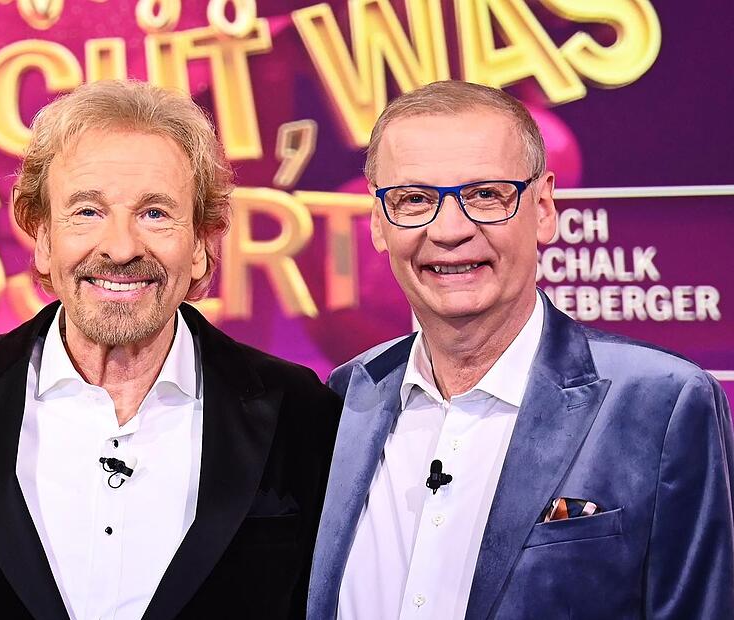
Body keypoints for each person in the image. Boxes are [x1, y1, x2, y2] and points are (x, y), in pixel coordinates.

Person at [0, 79, 342, 619]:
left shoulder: (299, 411)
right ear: (43, 238)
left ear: (201, 244)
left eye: (155, 213)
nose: (120, 248)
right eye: (87, 212)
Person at [306, 80, 734, 619]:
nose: (449, 230)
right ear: (377, 222)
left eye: (486, 195)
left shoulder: (661, 404)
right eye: (414, 200)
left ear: (544, 208)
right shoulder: (344, 397)